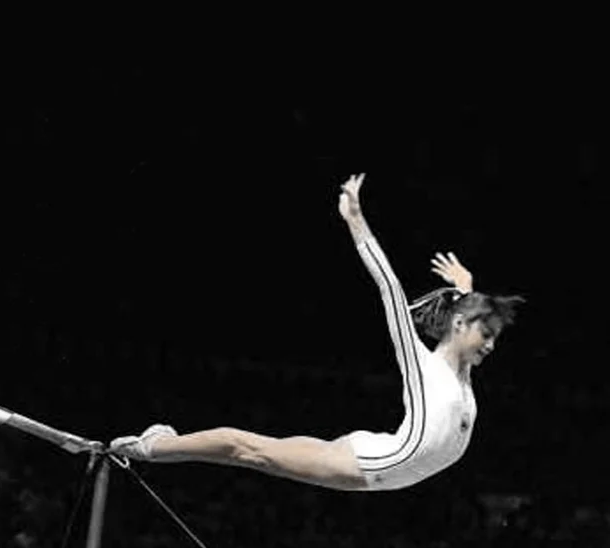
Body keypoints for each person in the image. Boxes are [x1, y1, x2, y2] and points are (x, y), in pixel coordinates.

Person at [109, 174, 525, 491]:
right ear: (459, 325)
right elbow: (389, 287)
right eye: (486, 334)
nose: (491, 345)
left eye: (494, 337)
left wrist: (466, 288)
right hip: (368, 466)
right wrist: (356, 221)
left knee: (264, 449)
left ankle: (158, 444)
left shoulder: (461, 369)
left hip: (377, 453)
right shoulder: (423, 366)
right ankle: (151, 447)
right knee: (246, 449)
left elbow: (464, 321)